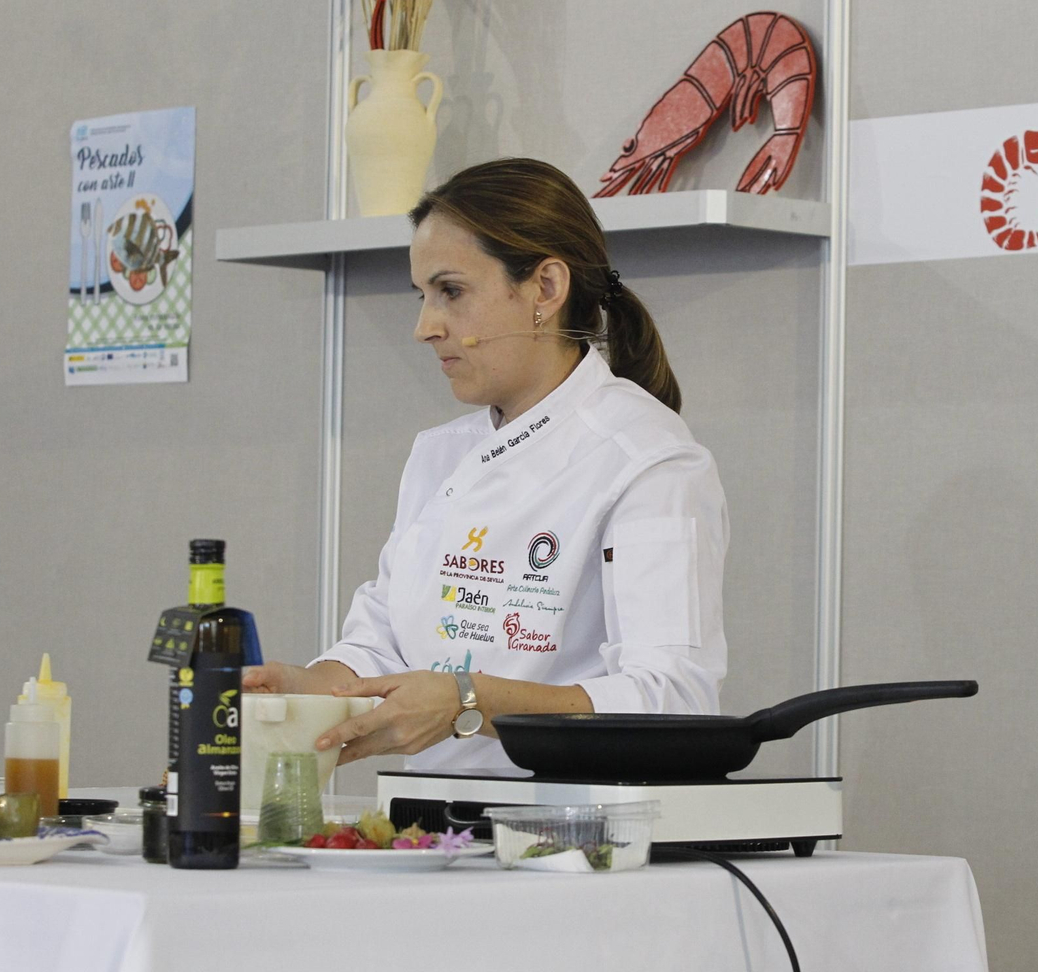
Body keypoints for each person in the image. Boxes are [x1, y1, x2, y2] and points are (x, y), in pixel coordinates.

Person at [243, 157, 728, 771]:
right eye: (422, 295)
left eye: (451, 291)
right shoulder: (441, 454)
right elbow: (380, 644)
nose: (424, 327)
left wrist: (468, 701)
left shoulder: (647, 460)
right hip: (427, 834)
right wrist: (308, 691)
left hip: (574, 837)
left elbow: (674, 701)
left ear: (546, 290)